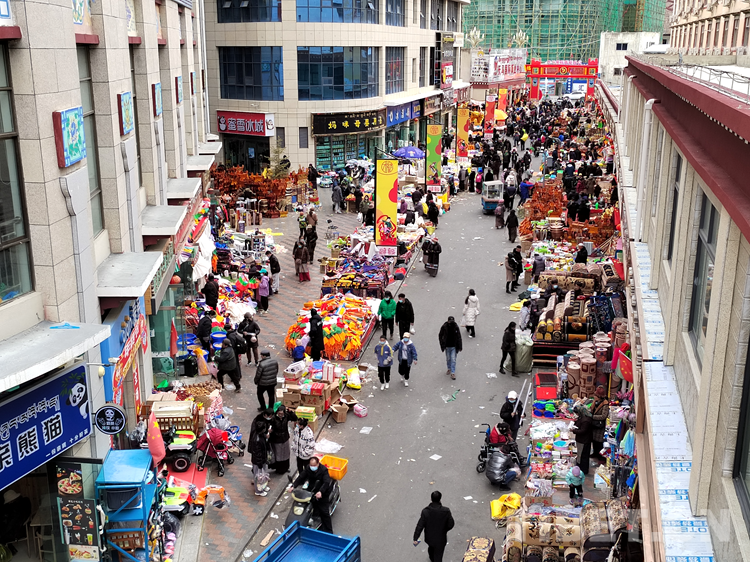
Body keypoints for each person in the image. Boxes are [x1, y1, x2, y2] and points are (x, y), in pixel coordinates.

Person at [292, 457, 334, 533]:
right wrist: (293, 486)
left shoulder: (323, 470)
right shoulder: (308, 468)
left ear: (318, 464)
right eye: (311, 465)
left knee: (324, 512)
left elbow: (326, 482)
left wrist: (321, 492)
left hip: (322, 492)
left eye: (314, 465)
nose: (312, 467)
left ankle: (329, 532)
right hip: (311, 490)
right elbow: (301, 477)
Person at [413, 491, 455, 562]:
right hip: (441, 539)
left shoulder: (425, 511)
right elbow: (451, 524)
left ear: (431, 499)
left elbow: (420, 526)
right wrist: (444, 530)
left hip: (429, 538)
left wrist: (416, 538)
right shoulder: (446, 511)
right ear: (440, 499)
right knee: (438, 555)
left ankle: (432, 558)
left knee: (431, 549)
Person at [269, 405, 297, 474]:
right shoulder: (273, 418)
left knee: (286, 454)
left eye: (282, 414)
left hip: (285, 438)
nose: (280, 415)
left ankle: (286, 468)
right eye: (279, 413)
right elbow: (270, 426)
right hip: (276, 439)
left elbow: (295, 418)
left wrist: (290, 412)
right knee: (278, 454)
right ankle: (278, 469)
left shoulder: (286, 416)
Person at [438, 316, 462, 380]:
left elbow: (459, 337)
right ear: (448, 321)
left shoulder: (456, 327)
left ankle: (453, 373)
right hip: (447, 346)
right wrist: (442, 344)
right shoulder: (444, 327)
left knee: (453, 359)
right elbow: (440, 335)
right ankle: (449, 368)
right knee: (448, 358)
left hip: (454, 346)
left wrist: (460, 346)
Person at [251, 420, 271, 496]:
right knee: (258, 476)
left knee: (262, 475)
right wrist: (260, 464)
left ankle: (263, 486)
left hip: (262, 459)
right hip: (258, 461)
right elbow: (257, 453)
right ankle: (258, 491)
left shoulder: (260, 435)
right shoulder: (257, 440)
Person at [571, 405, 593, 474]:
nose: (576, 414)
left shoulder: (586, 420)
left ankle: (583, 470)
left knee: (583, 456)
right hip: (581, 440)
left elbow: (583, 431)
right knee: (580, 454)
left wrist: (573, 430)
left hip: (584, 441)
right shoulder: (582, 417)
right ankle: (580, 468)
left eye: (577, 413)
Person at [591, 385, 610, 461]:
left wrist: (593, 417)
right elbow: (591, 409)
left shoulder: (605, 404)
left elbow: (603, 416)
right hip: (594, 424)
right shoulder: (596, 402)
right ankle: (595, 453)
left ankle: (600, 456)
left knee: (599, 442)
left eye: (596, 396)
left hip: (599, 425)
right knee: (594, 440)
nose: (594, 397)